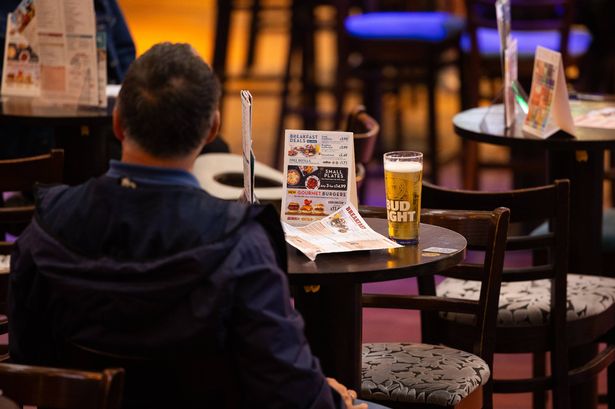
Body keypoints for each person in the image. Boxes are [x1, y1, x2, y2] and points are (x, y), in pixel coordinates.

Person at [8, 42, 380, 409]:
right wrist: (332, 397)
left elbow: (27, 364)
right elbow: (288, 389)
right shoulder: (241, 245)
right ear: (212, 129)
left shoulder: (46, 226)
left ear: (118, 122)